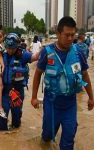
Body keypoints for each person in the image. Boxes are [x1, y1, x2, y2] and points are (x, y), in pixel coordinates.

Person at [31, 16, 94, 150]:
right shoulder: (47, 53)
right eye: (67, 35)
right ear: (58, 34)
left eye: (73, 35)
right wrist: (34, 97)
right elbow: (37, 74)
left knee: (68, 139)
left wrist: (91, 97)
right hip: (51, 102)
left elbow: (85, 76)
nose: (71, 38)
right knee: (47, 135)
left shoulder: (78, 53)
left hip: (70, 104)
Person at [0, 33, 41, 131]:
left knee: (16, 121)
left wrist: (43, 51)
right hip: (4, 91)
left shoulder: (23, 54)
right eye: (8, 48)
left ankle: (15, 128)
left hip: (17, 91)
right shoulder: (1, 54)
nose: (10, 51)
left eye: (12, 48)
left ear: (17, 46)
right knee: (2, 119)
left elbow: (34, 57)